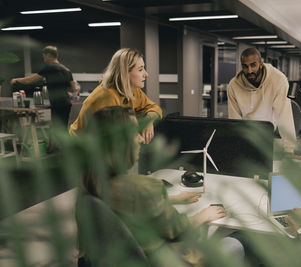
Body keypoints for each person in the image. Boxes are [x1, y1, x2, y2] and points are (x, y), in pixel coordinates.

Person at [76, 106, 243, 266]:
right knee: (238, 242)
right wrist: (203, 215)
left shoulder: (89, 184)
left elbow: (128, 208)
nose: (141, 138)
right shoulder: (144, 187)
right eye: (135, 132)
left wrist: (172, 199)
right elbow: (177, 231)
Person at [69, 48, 162, 144]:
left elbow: (154, 108)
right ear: (125, 72)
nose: (146, 74)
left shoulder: (132, 90)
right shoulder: (107, 96)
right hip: (81, 147)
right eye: (140, 69)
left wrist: (148, 121)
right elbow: (114, 137)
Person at [227, 48, 296, 152]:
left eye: (253, 65)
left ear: (261, 64)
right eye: (245, 66)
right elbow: (234, 120)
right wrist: (236, 149)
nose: (249, 70)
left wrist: (289, 149)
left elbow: (284, 116)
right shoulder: (233, 85)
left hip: (269, 135)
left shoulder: (278, 80)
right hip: (246, 137)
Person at [11, 46, 76, 129]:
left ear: (48, 55)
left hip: (57, 103)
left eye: (44, 57)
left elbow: (30, 80)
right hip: (66, 103)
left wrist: (16, 80)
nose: (44, 59)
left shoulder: (49, 68)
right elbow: (73, 88)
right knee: (63, 128)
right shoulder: (66, 70)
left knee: (57, 129)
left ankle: (57, 142)